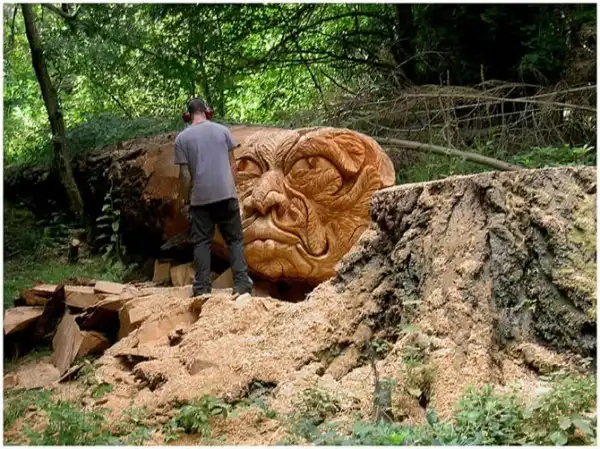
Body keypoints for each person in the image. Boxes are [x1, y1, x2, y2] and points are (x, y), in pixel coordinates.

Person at [174, 97, 252, 299]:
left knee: (202, 242)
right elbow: (233, 165)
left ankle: (202, 288)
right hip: (226, 194)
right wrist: (235, 190)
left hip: (200, 199)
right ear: (206, 111)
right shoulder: (223, 131)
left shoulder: (182, 139)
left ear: (188, 115)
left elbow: (185, 175)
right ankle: (242, 284)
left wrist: (185, 199)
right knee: (234, 240)